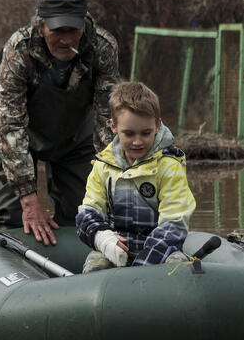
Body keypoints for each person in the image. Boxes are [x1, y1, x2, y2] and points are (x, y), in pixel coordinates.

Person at [0, 0, 119, 245]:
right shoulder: (18, 49)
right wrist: (28, 198)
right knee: (14, 213)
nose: (66, 40)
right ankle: (16, 265)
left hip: (74, 132)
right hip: (13, 130)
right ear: (41, 26)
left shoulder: (102, 46)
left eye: (73, 31)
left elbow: (107, 118)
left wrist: (110, 176)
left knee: (85, 211)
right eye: (58, 31)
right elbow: (9, 124)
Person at [75, 81, 196, 272]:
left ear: (157, 125)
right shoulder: (102, 166)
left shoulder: (169, 166)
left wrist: (142, 266)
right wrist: (103, 238)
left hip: (161, 251)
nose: (137, 142)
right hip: (115, 248)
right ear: (114, 127)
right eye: (129, 134)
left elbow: (174, 223)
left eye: (146, 133)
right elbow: (88, 211)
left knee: (179, 268)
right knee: (94, 266)